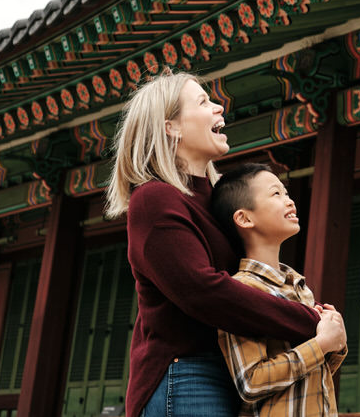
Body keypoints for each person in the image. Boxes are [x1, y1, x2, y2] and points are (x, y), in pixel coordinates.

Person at [105, 73, 320, 417]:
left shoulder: (217, 199)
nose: (220, 107)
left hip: (236, 370)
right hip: (188, 374)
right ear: (171, 127)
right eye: (204, 102)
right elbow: (202, 291)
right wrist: (309, 322)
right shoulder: (154, 198)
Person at [210, 162, 347, 415]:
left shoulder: (298, 285)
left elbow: (309, 379)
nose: (289, 201)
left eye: (286, 192)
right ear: (244, 218)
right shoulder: (242, 290)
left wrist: (336, 342)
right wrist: (321, 345)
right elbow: (250, 382)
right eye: (276, 194)